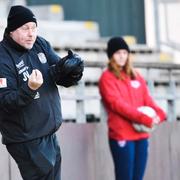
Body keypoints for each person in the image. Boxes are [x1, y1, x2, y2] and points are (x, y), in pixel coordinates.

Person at [0, 5, 84, 180]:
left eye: (34, 28)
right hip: (26, 138)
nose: (31, 34)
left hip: (48, 133)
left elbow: (58, 73)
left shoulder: (40, 43)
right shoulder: (3, 58)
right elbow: (5, 101)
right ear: (11, 31)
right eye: (25, 29)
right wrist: (29, 89)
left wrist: (73, 71)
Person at [99, 37, 166, 180]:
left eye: (124, 52)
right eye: (118, 53)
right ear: (111, 56)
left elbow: (148, 101)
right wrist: (144, 119)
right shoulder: (107, 77)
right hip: (122, 135)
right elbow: (117, 104)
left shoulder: (136, 76)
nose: (122, 56)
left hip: (141, 136)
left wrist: (160, 114)